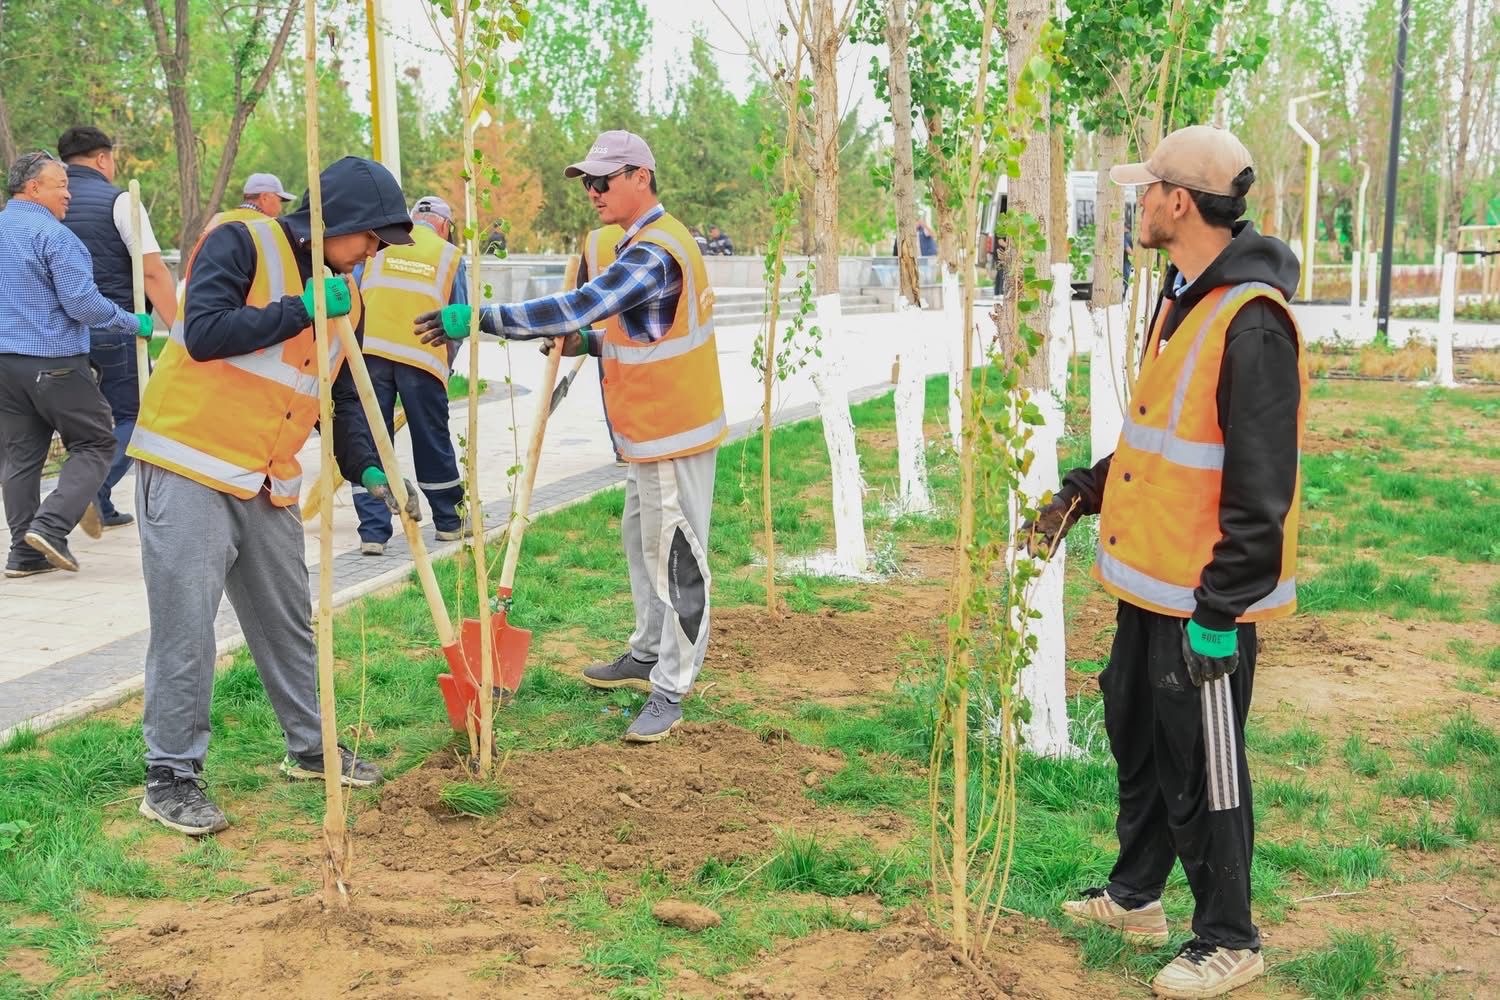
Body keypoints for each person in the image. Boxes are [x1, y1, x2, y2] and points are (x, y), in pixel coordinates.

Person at [1028, 126, 1304, 1000]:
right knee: (1141, 738)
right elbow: (1161, 443)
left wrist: (1221, 613)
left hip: (1205, 602)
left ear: (1178, 202)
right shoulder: (1184, 296)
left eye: (1146, 190)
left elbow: (1262, 494)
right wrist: (1081, 491)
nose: (1138, 203)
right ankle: (1136, 895)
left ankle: (1229, 938)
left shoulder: (1251, 321)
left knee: (1206, 762)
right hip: (1148, 581)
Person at [128, 156, 418, 836]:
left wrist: (369, 468)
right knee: (187, 629)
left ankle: (312, 748)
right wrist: (301, 310)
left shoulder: (349, 293)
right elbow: (202, 333)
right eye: (371, 236)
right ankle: (170, 775)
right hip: (190, 465)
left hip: (265, 480)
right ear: (337, 220)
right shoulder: (242, 239)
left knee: (289, 621)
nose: (374, 251)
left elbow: (343, 400)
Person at [415, 130, 725, 744]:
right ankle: (645, 650)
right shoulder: (642, 243)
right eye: (587, 180)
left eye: (603, 180)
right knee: (642, 541)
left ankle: (672, 685)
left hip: (673, 433)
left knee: (677, 557)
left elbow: (586, 302)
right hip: (649, 436)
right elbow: (636, 333)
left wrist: (485, 319)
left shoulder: (656, 252)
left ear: (642, 175)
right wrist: (589, 341)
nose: (592, 191)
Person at [0, 151, 152, 576]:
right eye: (60, 185)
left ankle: (24, 554)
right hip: (55, 363)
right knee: (98, 441)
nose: (68, 194)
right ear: (33, 188)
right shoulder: (54, 237)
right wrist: (131, 322)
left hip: (5, 366)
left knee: (21, 457)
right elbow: (83, 303)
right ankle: (50, 527)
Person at [57, 126, 179, 529]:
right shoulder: (122, 200)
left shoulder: (43, 204)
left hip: (56, 334)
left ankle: (101, 506)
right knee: (136, 416)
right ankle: (95, 489)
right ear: (103, 159)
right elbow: (153, 272)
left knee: (83, 421)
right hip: (115, 325)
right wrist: (180, 329)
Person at [353, 194, 469, 555]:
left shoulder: (381, 244)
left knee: (372, 440)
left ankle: (373, 533)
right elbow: (458, 321)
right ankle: (449, 522)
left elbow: (357, 298)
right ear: (445, 226)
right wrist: (445, 366)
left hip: (370, 354)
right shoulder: (449, 255)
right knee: (430, 439)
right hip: (420, 357)